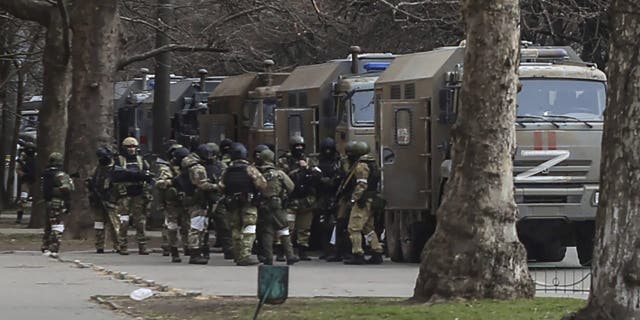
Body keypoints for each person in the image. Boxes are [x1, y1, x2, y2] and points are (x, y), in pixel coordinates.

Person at [219, 143, 267, 266]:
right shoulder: (250, 169)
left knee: (235, 228)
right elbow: (262, 184)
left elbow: (221, 186)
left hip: (232, 203)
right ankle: (245, 256)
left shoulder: (227, 170)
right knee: (249, 228)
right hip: (249, 203)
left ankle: (237, 254)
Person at [255, 148, 299, 265]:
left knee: (267, 231)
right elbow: (291, 187)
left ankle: (268, 258)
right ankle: (290, 255)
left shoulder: (258, 174)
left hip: (263, 205)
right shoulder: (279, 174)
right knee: (283, 228)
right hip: (276, 204)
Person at [280, 136, 321, 260]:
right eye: (296, 146)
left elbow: (318, 175)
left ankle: (302, 251)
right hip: (291, 200)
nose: (299, 149)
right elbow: (281, 176)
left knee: (304, 228)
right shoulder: (284, 161)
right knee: (288, 227)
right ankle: (283, 252)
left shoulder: (310, 161)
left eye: (301, 146)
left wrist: (307, 168)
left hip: (306, 201)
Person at [342, 141, 383, 265]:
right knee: (368, 228)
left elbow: (361, 185)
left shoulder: (361, 166)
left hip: (363, 201)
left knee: (354, 227)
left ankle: (357, 253)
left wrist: (353, 199)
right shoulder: (373, 163)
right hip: (371, 200)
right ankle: (376, 251)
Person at [178, 144, 219, 264]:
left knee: (197, 225)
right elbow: (202, 184)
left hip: (190, 198)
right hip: (198, 200)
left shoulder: (187, 164)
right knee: (197, 227)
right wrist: (217, 186)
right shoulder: (197, 168)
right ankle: (195, 253)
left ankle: (197, 251)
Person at [115, 137, 154, 255]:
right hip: (124, 195)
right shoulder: (119, 160)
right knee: (124, 221)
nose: (131, 149)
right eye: (129, 147)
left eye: (133, 147)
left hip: (138, 194)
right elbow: (116, 175)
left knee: (140, 222)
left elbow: (147, 175)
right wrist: (133, 174)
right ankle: (122, 246)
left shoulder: (141, 160)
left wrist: (138, 175)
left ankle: (142, 246)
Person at [155, 143, 189, 262]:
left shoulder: (188, 168)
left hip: (186, 201)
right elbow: (160, 183)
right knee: (172, 226)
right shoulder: (166, 168)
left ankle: (188, 247)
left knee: (186, 225)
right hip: (172, 202)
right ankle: (173, 248)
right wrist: (173, 182)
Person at [41, 152, 75, 258]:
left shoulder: (45, 174)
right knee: (58, 226)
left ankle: (45, 246)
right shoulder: (60, 175)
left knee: (48, 226)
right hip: (58, 203)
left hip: (48, 202)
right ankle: (54, 248)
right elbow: (68, 188)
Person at [87, 146, 120, 254]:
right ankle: (99, 245)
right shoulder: (98, 169)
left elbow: (117, 186)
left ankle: (119, 245)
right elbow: (92, 181)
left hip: (111, 201)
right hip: (98, 201)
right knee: (99, 224)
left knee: (114, 225)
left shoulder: (115, 169)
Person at [315, 137, 344, 259]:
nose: (327, 152)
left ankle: (335, 250)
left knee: (336, 224)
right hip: (322, 196)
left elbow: (341, 177)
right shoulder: (317, 162)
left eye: (329, 149)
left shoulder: (339, 162)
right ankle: (326, 250)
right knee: (322, 225)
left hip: (335, 195)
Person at [204, 142, 233, 260]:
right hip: (204, 199)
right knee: (202, 226)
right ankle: (203, 250)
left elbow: (227, 180)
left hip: (218, 199)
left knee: (224, 226)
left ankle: (229, 250)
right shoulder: (201, 166)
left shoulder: (222, 166)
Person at [15, 142, 37, 224]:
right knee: (23, 199)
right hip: (26, 182)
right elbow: (18, 169)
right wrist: (24, 175)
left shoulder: (37, 158)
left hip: (36, 181)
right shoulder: (22, 159)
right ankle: (19, 216)